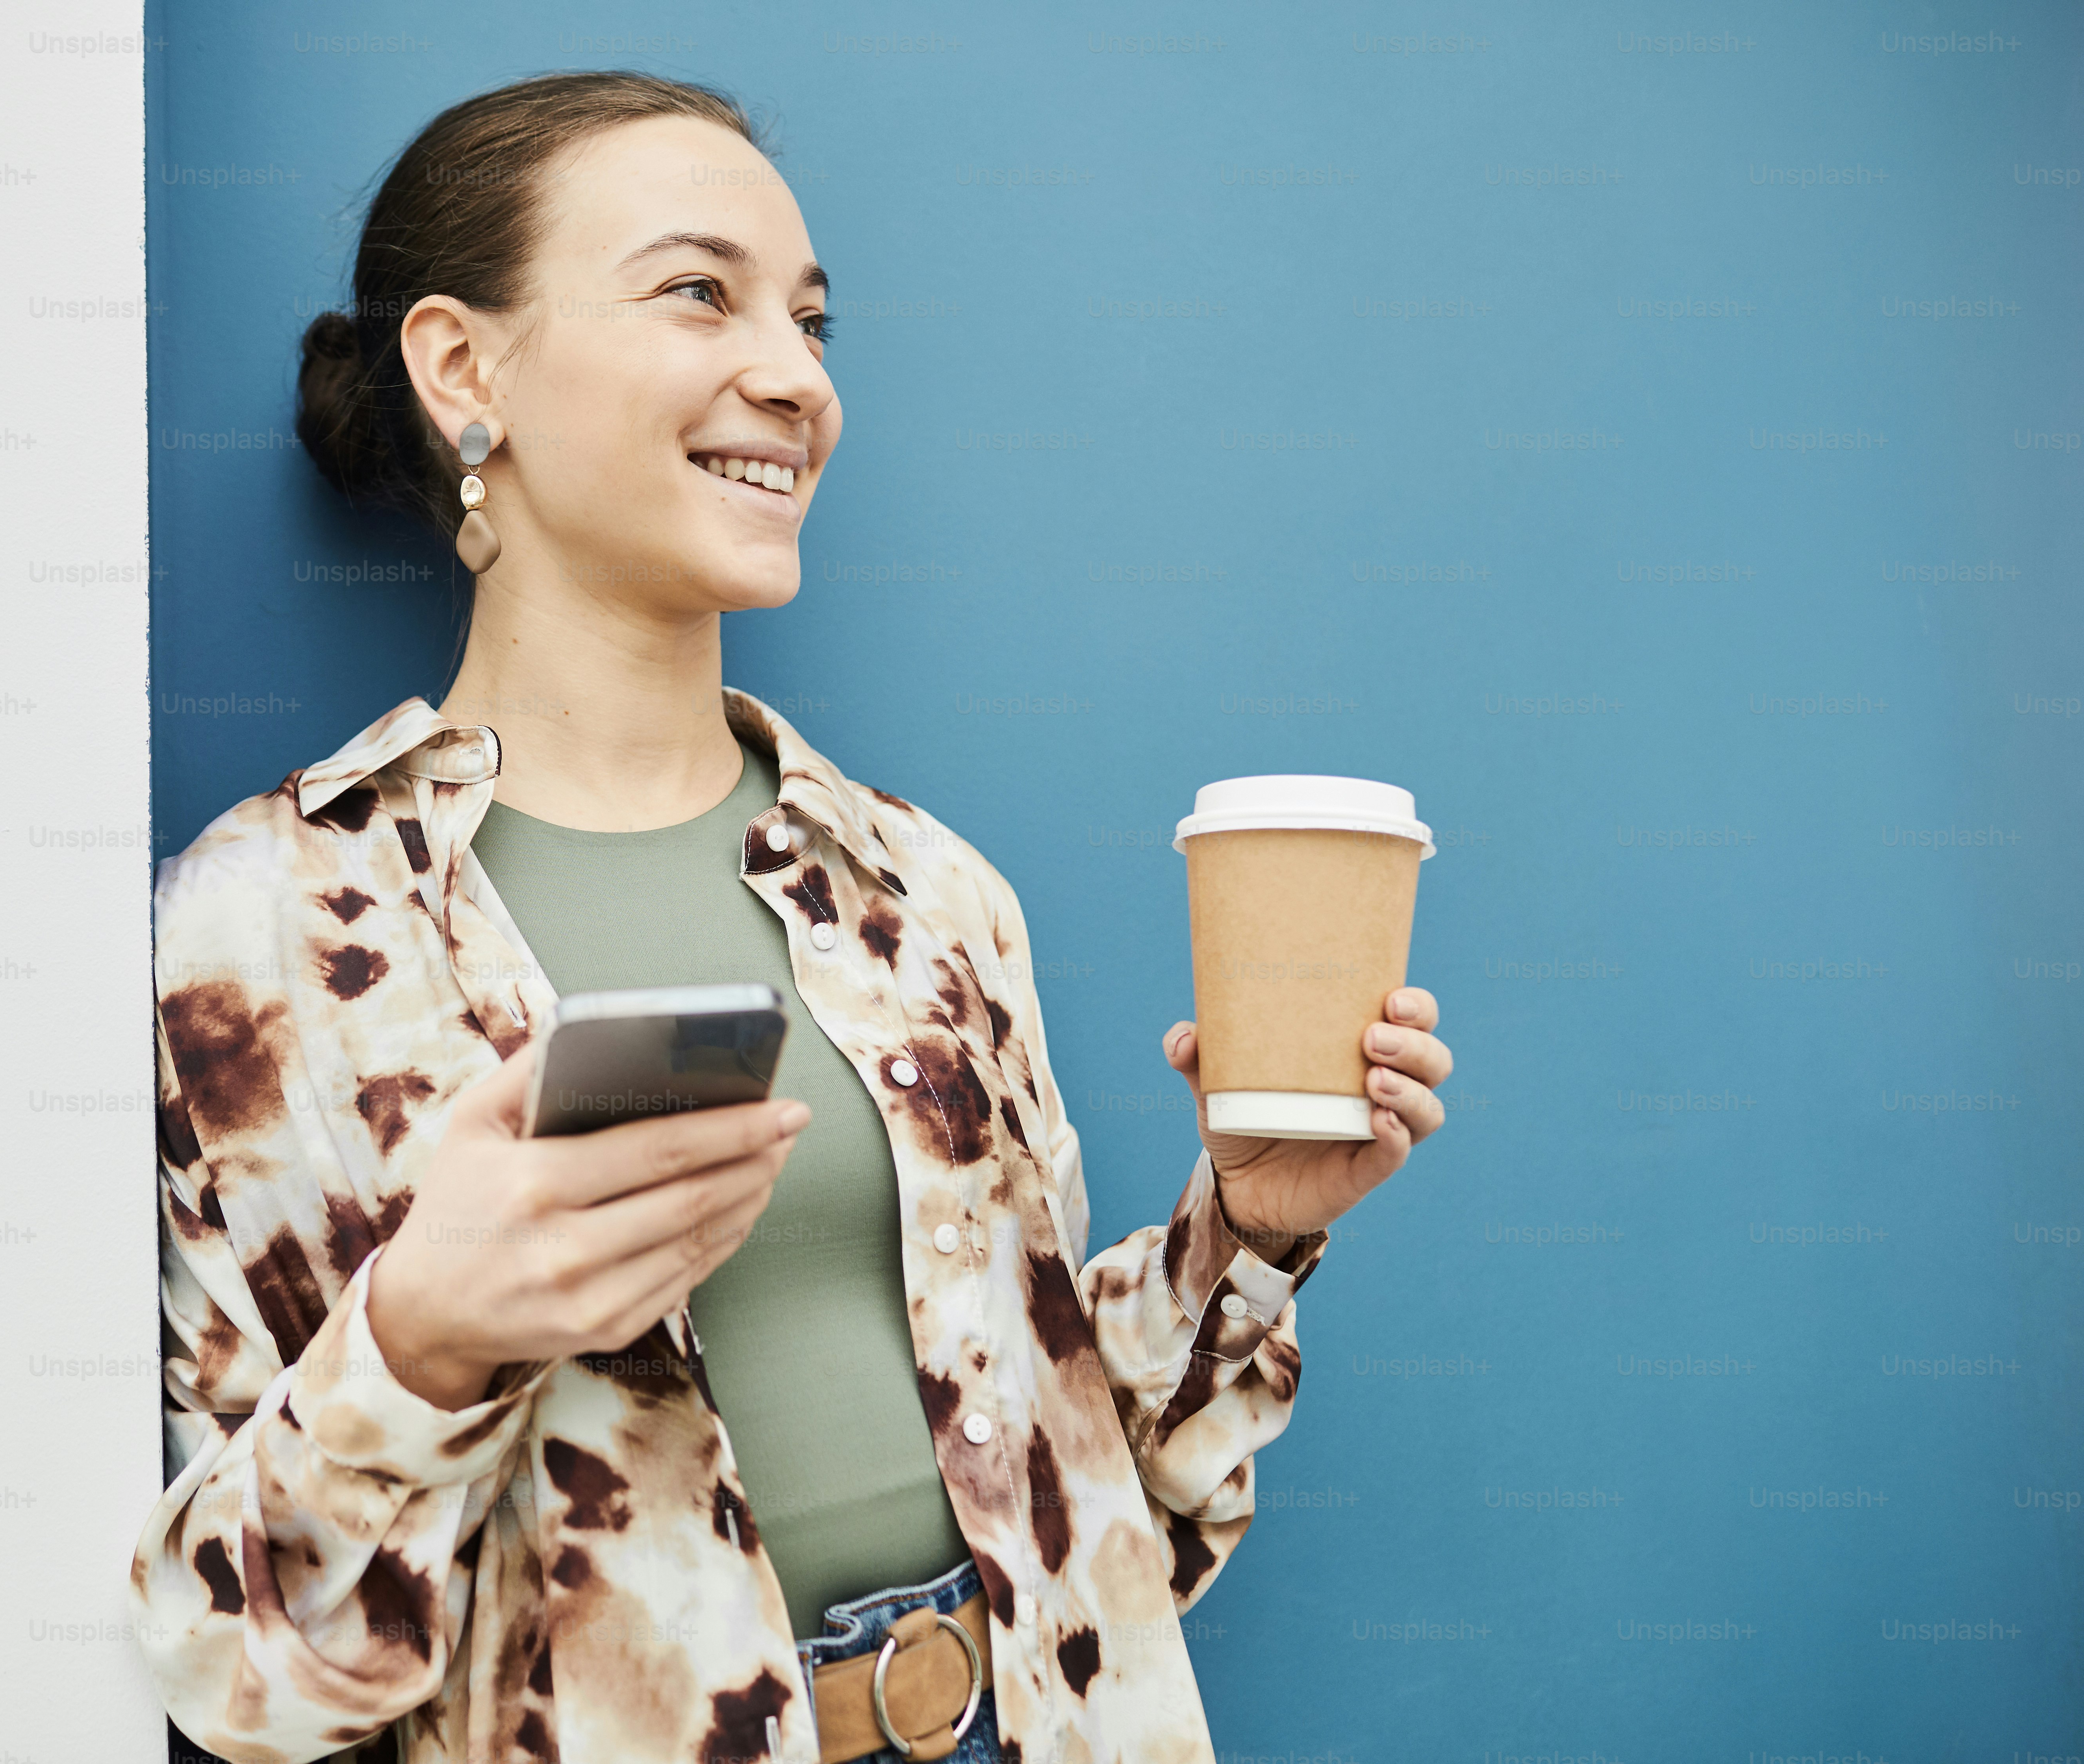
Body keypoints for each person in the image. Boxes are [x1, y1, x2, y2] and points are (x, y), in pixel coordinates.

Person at [130, 71, 1454, 1764]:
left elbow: (1103, 1521)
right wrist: (425, 1334)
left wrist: (1249, 1235)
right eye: (700, 291)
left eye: (813, 320)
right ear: (467, 369)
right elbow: (251, 1678)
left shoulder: (923, 888)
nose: (796, 377)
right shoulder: (262, 933)